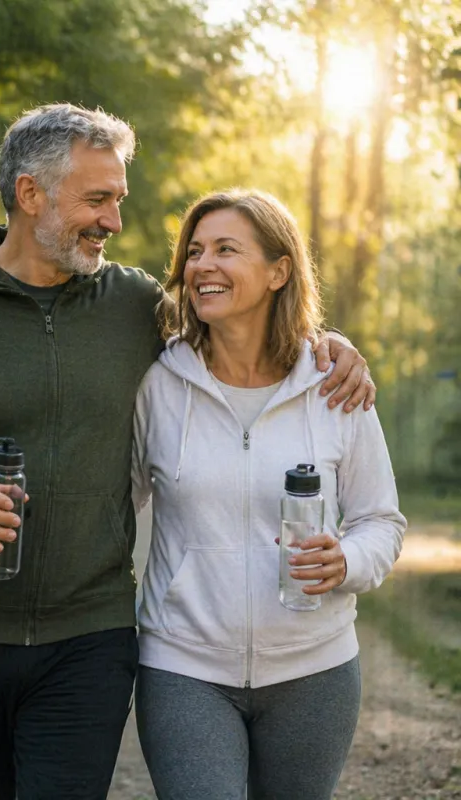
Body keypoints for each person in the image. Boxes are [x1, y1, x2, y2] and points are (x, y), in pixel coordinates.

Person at [0, 104, 375, 800]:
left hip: (89, 638)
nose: (114, 222)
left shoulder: (135, 306)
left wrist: (327, 348)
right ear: (31, 195)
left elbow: (241, 327)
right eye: (98, 199)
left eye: (118, 200)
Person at [130, 189, 406, 800]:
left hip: (316, 668)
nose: (204, 265)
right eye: (195, 251)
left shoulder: (334, 387)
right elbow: (113, 511)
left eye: (227, 249)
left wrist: (348, 561)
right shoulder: (160, 386)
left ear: (279, 271)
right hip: (183, 666)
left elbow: (381, 520)